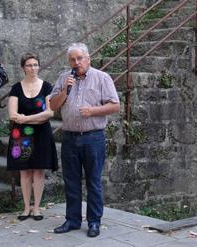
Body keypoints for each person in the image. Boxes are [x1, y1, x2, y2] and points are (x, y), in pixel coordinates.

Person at [50, 43, 120, 237]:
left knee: (93, 181)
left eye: (80, 58)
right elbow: (53, 104)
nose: (76, 62)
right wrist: (65, 90)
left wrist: (93, 111)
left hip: (93, 138)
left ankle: (94, 222)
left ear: (88, 59)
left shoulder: (102, 78)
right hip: (70, 138)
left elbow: (115, 105)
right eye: (73, 59)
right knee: (71, 181)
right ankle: (72, 220)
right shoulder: (65, 78)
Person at [7, 53, 58, 221]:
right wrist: (36, 118)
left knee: (39, 172)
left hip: (42, 134)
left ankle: (37, 208)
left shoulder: (47, 87)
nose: (33, 68)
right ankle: (26, 207)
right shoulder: (16, 88)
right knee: (25, 172)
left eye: (35, 64)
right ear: (23, 68)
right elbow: (13, 115)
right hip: (22, 137)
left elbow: (50, 113)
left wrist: (26, 119)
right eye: (29, 65)